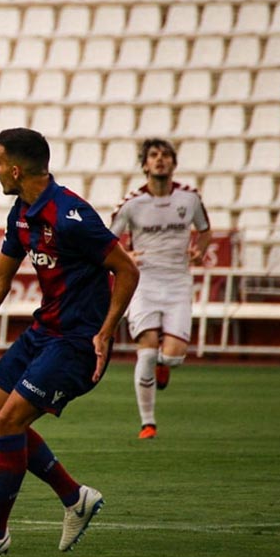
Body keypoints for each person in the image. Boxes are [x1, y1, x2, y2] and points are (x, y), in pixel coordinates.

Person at [0, 128, 140, 557]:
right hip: (44, 331)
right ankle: (74, 497)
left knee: (9, 419)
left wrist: (106, 331)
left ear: (15, 168)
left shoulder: (70, 215)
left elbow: (126, 270)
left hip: (77, 340)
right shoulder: (22, 213)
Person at [110, 138, 211, 440]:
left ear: (173, 163)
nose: (160, 160)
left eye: (166, 155)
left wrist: (200, 250)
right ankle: (148, 423)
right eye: (153, 155)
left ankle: (165, 366)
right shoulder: (131, 204)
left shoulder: (189, 199)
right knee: (146, 350)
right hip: (144, 282)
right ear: (144, 164)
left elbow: (205, 230)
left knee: (173, 356)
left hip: (178, 283)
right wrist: (125, 256)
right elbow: (105, 239)